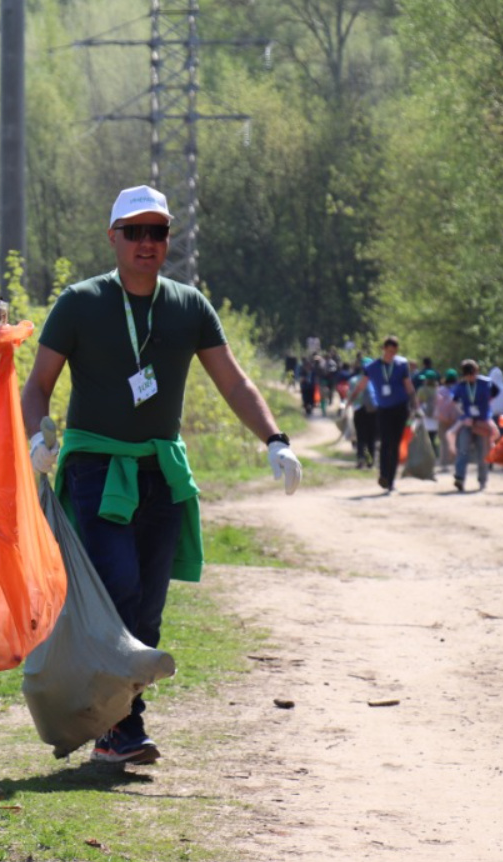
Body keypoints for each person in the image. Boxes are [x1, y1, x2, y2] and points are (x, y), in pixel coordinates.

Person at [20, 185, 301, 765]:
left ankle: (114, 725)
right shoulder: (80, 301)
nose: (147, 243)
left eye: (158, 232)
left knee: (147, 605)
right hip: (98, 466)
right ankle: (123, 726)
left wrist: (274, 439)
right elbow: (37, 385)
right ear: (113, 238)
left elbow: (234, 382)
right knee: (117, 586)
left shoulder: (189, 305)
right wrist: (35, 438)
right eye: (135, 232)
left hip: (162, 468)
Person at [356, 337, 416, 493]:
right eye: (389, 351)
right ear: (384, 349)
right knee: (384, 442)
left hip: (400, 408)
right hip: (383, 409)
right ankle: (383, 474)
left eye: (394, 352)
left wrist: (415, 404)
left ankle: (391, 480)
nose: (392, 355)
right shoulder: (372, 367)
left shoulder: (402, 365)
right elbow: (362, 385)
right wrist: (351, 400)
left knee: (395, 444)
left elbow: (408, 386)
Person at [451, 359, 493, 493]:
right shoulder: (461, 386)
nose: (470, 377)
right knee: (463, 450)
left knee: (482, 452)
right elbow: (455, 403)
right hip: (467, 422)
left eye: (472, 374)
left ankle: (482, 480)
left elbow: (495, 394)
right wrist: (463, 415)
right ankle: (460, 478)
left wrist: (486, 410)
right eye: (467, 375)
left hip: (481, 422)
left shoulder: (486, 383)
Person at [347, 362, 377, 470]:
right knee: (371, 437)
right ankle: (371, 461)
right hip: (372, 411)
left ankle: (360, 459)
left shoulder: (353, 380)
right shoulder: (375, 380)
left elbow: (350, 394)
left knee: (361, 437)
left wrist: (348, 404)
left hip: (359, 410)